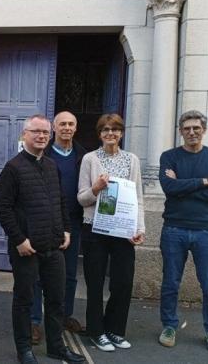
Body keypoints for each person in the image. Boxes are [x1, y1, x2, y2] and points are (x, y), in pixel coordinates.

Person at [0, 114, 86, 364]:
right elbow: (2, 209)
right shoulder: (12, 169)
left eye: (46, 132)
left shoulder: (50, 166)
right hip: (26, 248)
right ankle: (24, 349)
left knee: (56, 299)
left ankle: (56, 347)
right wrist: (19, 240)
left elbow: (60, 201)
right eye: (36, 132)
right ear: (24, 134)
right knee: (24, 300)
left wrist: (66, 230)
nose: (42, 136)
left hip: (54, 247)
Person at [158, 110, 208, 354]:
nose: (191, 132)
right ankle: (169, 326)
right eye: (187, 128)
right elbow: (169, 188)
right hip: (174, 229)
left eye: (196, 128)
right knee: (170, 283)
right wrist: (206, 181)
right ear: (180, 131)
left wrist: (183, 185)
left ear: (204, 130)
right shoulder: (169, 156)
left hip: (207, 231)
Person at [77, 113, 145, 352]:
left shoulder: (132, 160)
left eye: (115, 129)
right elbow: (82, 198)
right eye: (105, 130)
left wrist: (139, 228)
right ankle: (97, 332)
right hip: (95, 228)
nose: (110, 134)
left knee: (123, 282)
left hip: (123, 230)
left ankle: (115, 330)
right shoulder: (89, 159)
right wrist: (96, 188)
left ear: (121, 133)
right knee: (94, 283)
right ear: (99, 134)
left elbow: (137, 198)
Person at [30, 111, 87, 345]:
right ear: (54, 127)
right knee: (37, 274)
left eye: (70, 124)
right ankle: (34, 321)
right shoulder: (43, 152)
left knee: (70, 274)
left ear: (75, 128)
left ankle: (64, 315)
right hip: (44, 221)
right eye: (62, 124)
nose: (66, 127)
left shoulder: (84, 155)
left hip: (73, 221)